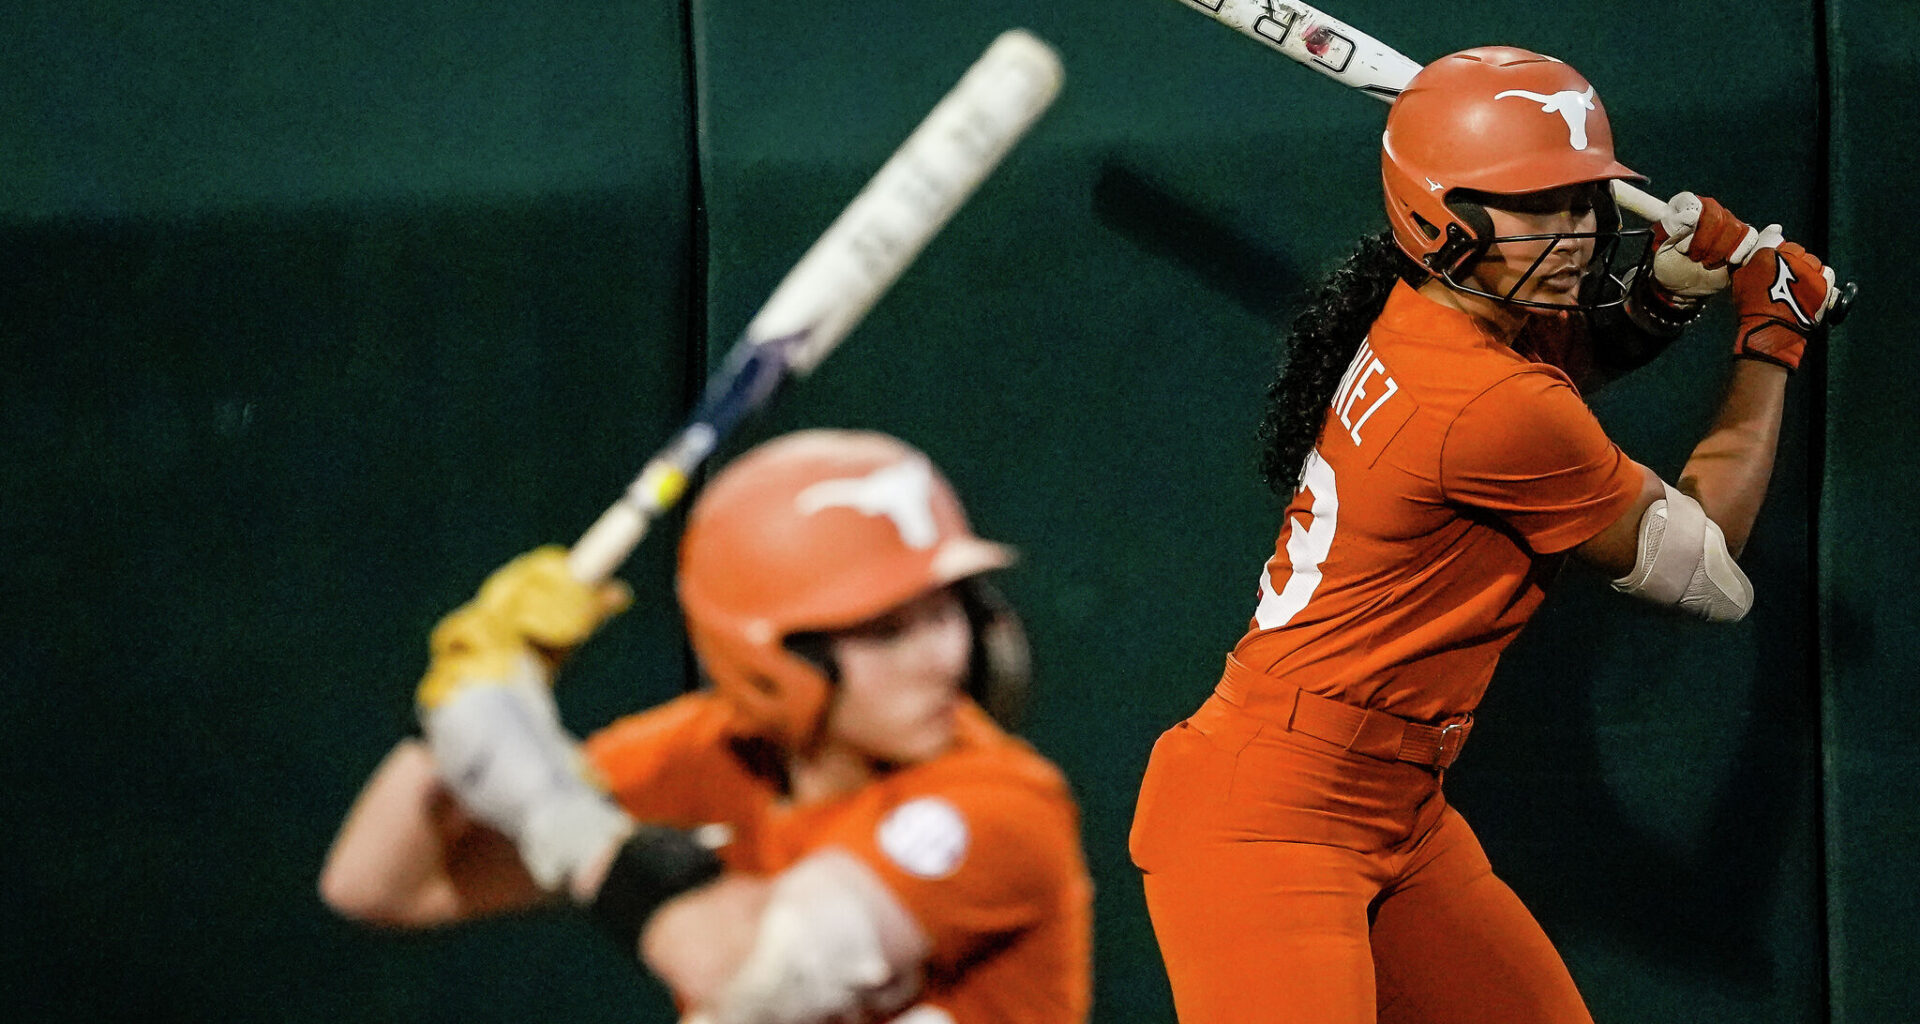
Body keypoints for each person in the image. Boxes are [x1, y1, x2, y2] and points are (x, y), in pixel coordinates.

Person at [1128, 46, 1838, 1024]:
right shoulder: (1489, 402)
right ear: (1441, 217)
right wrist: (1771, 338)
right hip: (1272, 823)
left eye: (1585, 200)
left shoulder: (1430, 319)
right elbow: (1709, 574)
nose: (1578, 234)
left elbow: (1553, 373)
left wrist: (1665, 290)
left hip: (1390, 805)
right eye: (1537, 207)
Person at [322, 429, 1092, 1024]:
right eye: (888, 632)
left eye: (945, 613)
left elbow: (754, 975)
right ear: (767, 658)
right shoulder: (712, 753)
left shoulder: (1005, 806)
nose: (944, 659)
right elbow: (380, 884)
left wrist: (559, 815)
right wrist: (476, 695)